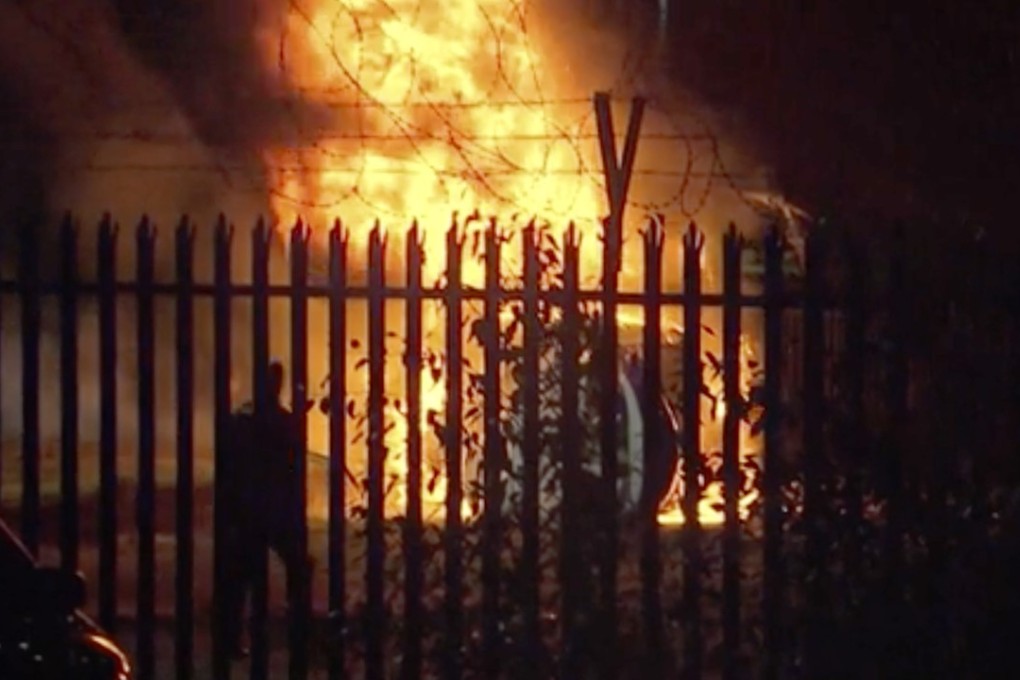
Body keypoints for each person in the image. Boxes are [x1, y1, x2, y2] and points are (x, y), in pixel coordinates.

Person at [218, 361, 313, 658]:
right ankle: (297, 635)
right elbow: (293, 467)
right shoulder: (283, 421)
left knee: (242, 576)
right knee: (293, 569)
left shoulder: (242, 420)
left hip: (252, 509)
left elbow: (229, 468)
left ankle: (236, 639)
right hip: (274, 509)